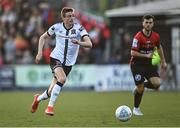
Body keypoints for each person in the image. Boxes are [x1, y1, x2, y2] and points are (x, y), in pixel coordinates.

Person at [30, 7, 92, 116]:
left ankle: (38, 99)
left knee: (50, 91)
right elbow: (42, 37)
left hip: (68, 64)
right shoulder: (56, 27)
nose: (71, 18)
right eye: (68, 16)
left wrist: (79, 42)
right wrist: (39, 53)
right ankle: (50, 107)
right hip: (55, 58)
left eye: (73, 16)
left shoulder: (79, 28)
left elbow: (89, 44)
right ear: (63, 18)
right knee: (62, 78)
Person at [130, 14, 167, 116]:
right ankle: (136, 109)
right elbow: (132, 53)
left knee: (157, 84)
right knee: (141, 89)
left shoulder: (156, 36)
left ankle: (140, 87)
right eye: (146, 22)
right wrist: (146, 56)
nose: (148, 24)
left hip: (148, 64)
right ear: (143, 23)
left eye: (150, 22)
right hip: (136, 64)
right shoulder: (138, 37)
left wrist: (163, 61)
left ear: (153, 24)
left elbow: (159, 48)